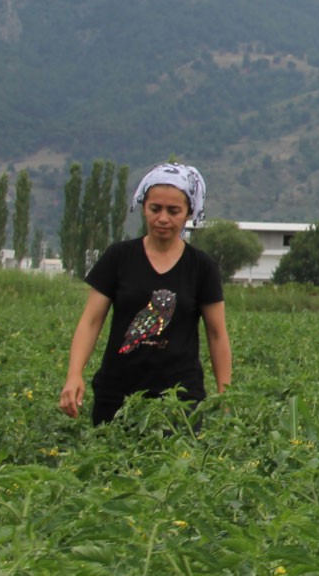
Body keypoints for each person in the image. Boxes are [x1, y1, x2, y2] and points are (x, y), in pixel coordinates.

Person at [60, 163, 232, 426]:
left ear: (189, 213)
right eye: (155, 209)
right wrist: (74, 375)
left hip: (179, 401)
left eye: (173, 211)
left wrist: (225, 396)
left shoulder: (201, 267)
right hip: (117, 396)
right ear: (143, 208)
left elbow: (217, 334)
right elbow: (91, 321)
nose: (163, 218)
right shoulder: (118, 257)